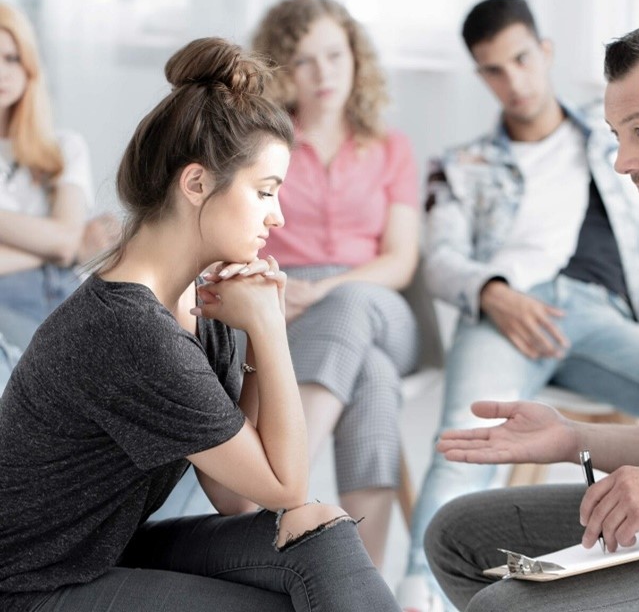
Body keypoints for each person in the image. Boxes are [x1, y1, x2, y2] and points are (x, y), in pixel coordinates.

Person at [0, 36, 400, 611]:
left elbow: (237, 498)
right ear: (196, 184)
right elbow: (285, 485)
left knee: (321, 534)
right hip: (32, 586)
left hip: (105, 553)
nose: (278, 216)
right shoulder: (128, 331)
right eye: (264, 192)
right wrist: (268, 327)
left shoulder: (197, 302)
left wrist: (256, 338)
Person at [425, 19, 639, 612]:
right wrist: (571, 439)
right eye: (617, 134)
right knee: (459, 535)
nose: (623, 161)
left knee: (507, 607)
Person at [248, 0, 421, 568]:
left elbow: (400, 260)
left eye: (335, 55)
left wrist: (324, 290)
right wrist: (278, 295)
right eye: (303, 60)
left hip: (375, 302)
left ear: (355, 59)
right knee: (372, 377)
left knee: (353, 308)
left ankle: (279, 475)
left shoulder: (391, 147)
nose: (324, 74)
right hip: (286, 307)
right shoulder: (261, 147)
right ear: (281, 71)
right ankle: (369, 585)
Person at [0, 2, 95, 351]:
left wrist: (65, 247)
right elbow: (69, 243)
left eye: (11, 58)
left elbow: (65, 240)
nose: (2, 72)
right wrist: (59, 246)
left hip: (69, 294)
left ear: (28, 66)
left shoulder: (64, 147)